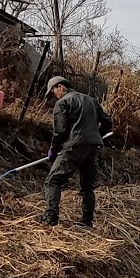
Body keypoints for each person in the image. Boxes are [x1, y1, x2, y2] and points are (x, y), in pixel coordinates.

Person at [43, 75, 113, 228]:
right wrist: (96, 136)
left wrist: (53, 150)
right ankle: (87, 221)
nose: (54, 95)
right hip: (93, 147)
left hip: (74, 147)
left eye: (54, 91)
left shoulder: (62, 103)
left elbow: (59, 131)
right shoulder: (91, 100)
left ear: (61, 86)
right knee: (88, 186)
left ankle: (50, 218)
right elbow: (108, 122)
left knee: (53, 180)